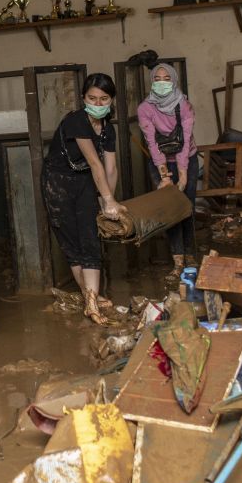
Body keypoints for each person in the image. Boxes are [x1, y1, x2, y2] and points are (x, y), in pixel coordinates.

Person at [40, 73, 126, 325]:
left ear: (111, 100)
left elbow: (110, 168)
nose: (97, 104)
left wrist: (105, 199)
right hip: (57, 183)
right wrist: (107, 199)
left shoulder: (108, 128)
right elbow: (94, 162)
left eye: (103, 99)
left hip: (85, 181)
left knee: (89, 237)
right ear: (83, 98)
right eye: (92, 98)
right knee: (70, 241)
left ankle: (91, 300)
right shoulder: (76, 121)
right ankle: (90, 298)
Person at [137, 63, 198, 284]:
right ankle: (178, 262)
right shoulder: (145, 108)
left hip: (186, 159)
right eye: (157, 79)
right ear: (152, 82)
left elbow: (186, 142)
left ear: (173, 80)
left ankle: (191, 256)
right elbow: (151, 143)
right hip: (159, 161)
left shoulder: (185, 105)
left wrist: (182, 174)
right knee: (171, 210)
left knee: (187, 206)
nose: (162, 83)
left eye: (166, 78)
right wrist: (164, 175)